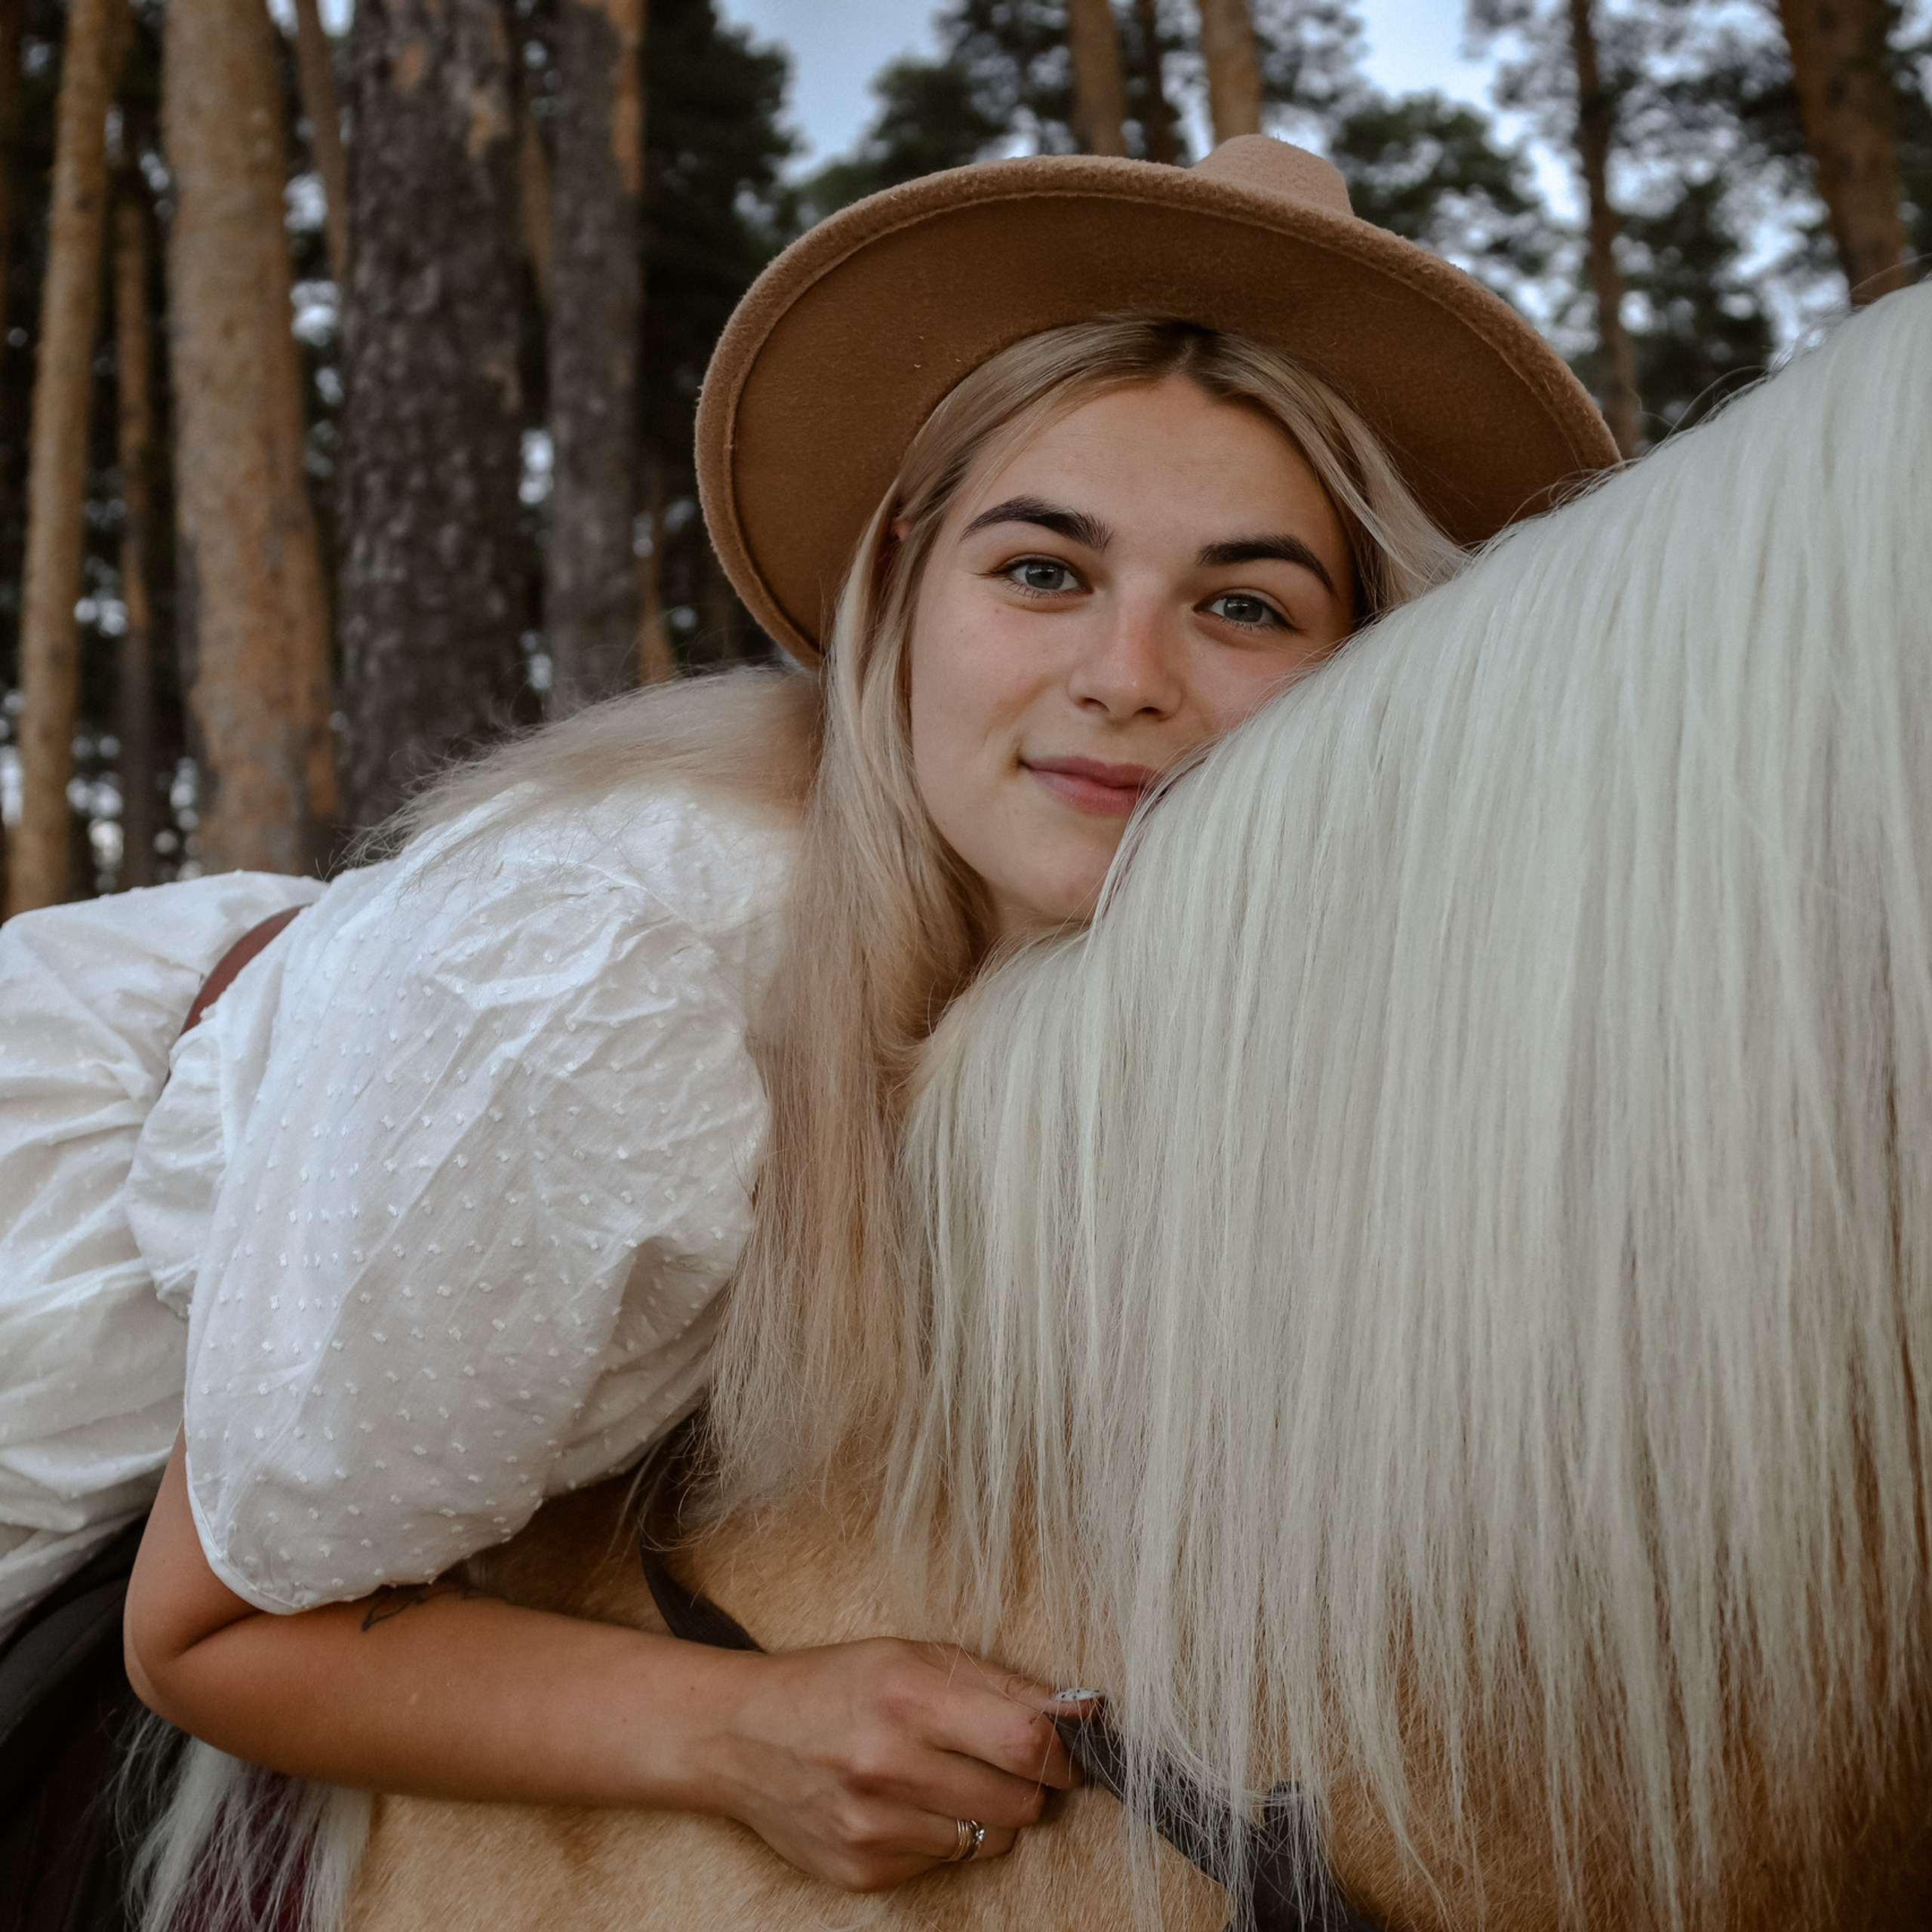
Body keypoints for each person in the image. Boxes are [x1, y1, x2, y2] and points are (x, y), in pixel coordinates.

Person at [0, 135, 1614, 1905]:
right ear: (902, 581)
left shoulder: (1184, 927)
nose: (1127, 673)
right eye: (1043, 570)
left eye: (1241, 603)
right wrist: (736, 1726)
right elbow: (218, 1631)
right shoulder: (598, 985)